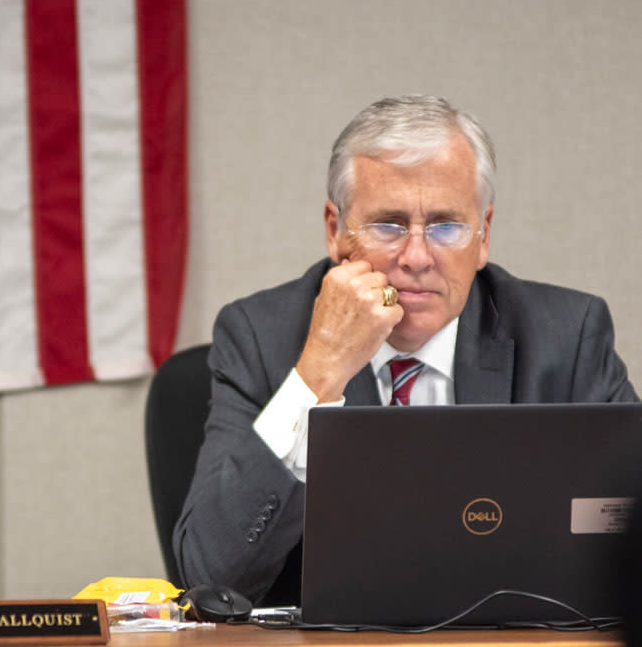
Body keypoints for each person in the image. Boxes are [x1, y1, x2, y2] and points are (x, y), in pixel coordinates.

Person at [173, 95, 637, 605]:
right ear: (335, 231)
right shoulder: (261, 337)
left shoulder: (566, 337)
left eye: (446, 227)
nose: (416, 257)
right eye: (388, 225)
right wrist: (318, 376)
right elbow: (211, 577)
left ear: (484, 237)